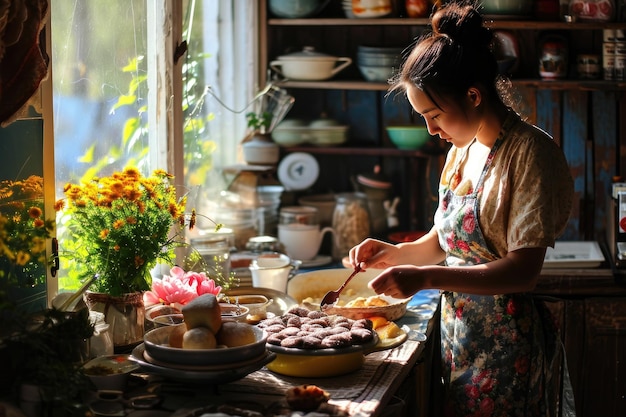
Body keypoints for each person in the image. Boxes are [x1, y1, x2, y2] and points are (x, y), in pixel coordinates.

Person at [348, 2, 575, 417]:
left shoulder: (530, 154)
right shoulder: (461, 150)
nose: (430, 129)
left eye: (434, 114)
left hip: (508, 351)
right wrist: (393, 254)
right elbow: (443, 243)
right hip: (459, 337)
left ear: (473, 95)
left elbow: (523, 271)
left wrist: (425, 278)